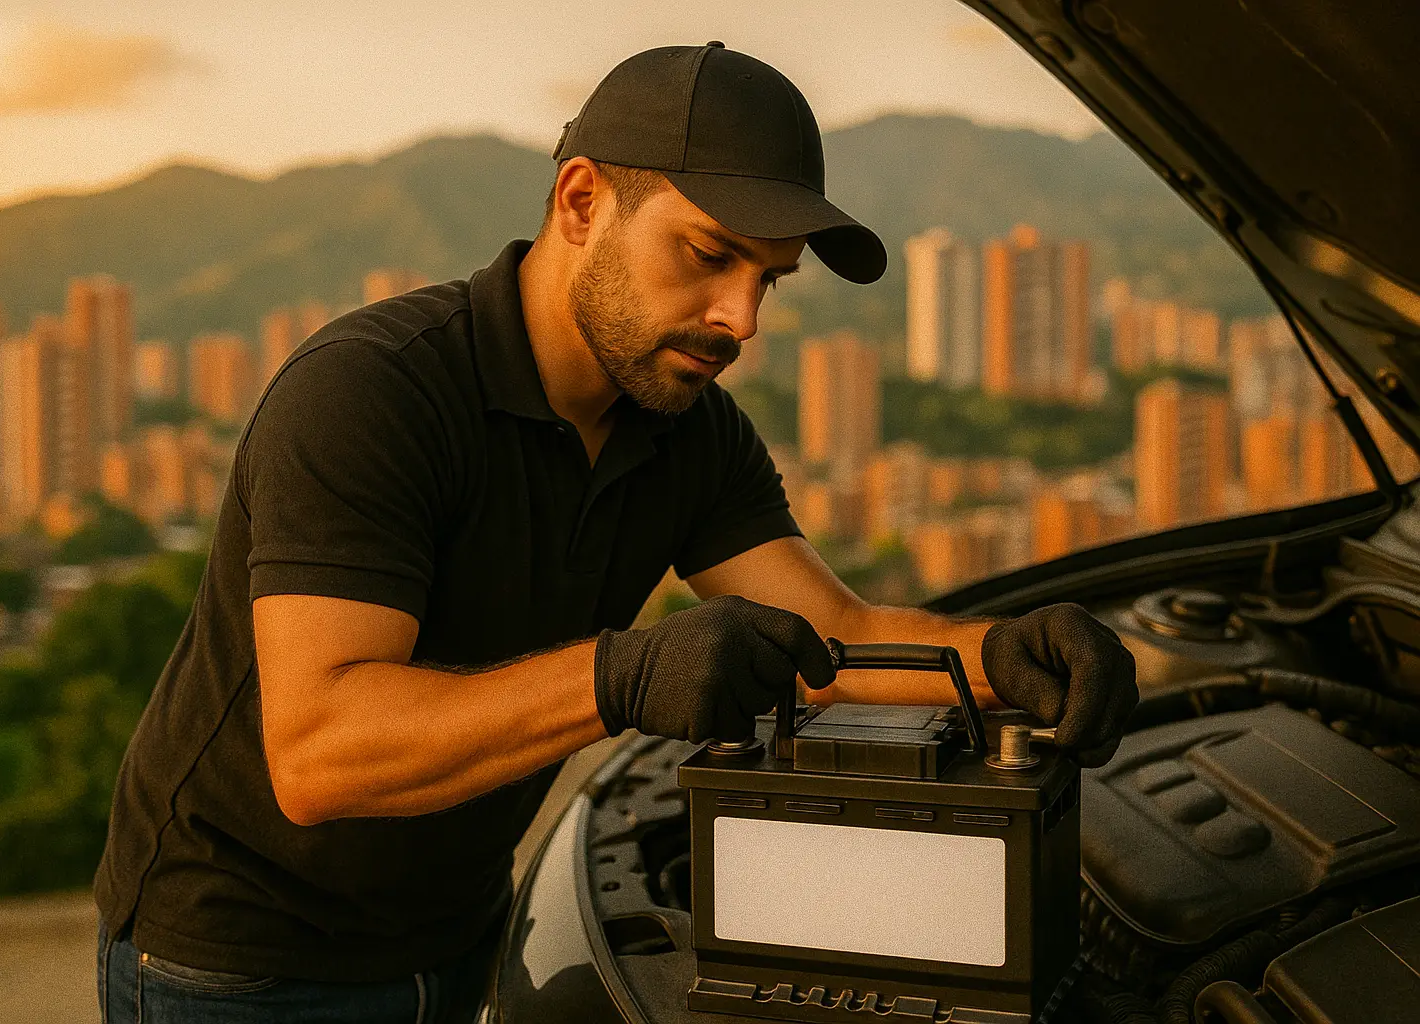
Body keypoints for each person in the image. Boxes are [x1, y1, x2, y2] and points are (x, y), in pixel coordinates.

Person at [94, 42, 1137, 1024]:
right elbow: (320, 752)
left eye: (768, 279)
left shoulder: (687, 426)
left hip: (460, 932)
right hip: (237, 962)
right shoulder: (372, 391)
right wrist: (620, 676)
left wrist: (1005, 655)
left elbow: (835, 638)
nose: (742, 319)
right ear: (582, 201)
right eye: (710, 255)